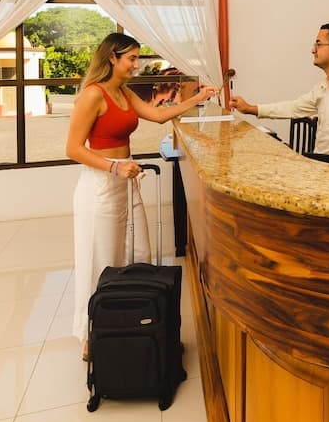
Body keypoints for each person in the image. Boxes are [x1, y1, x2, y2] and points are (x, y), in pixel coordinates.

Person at [65, 32, 218, 358]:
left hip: (126, 178)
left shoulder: (123, 91)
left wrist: (198, 98)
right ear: (112, 58)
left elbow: (159, 115)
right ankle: (91, 333)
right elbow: (73, 149)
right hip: (101, 183)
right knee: (101, 258)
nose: (137, 65)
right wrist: (115, 167)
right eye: (132, 58)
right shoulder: (93, 95)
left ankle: (129, 320)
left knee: (137, 252)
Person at [229, 23, 329, 158]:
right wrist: (250, 108)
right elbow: (294, 108)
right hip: (321, 169)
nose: (313, 50)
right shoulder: (325, 87)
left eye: (318, 44)